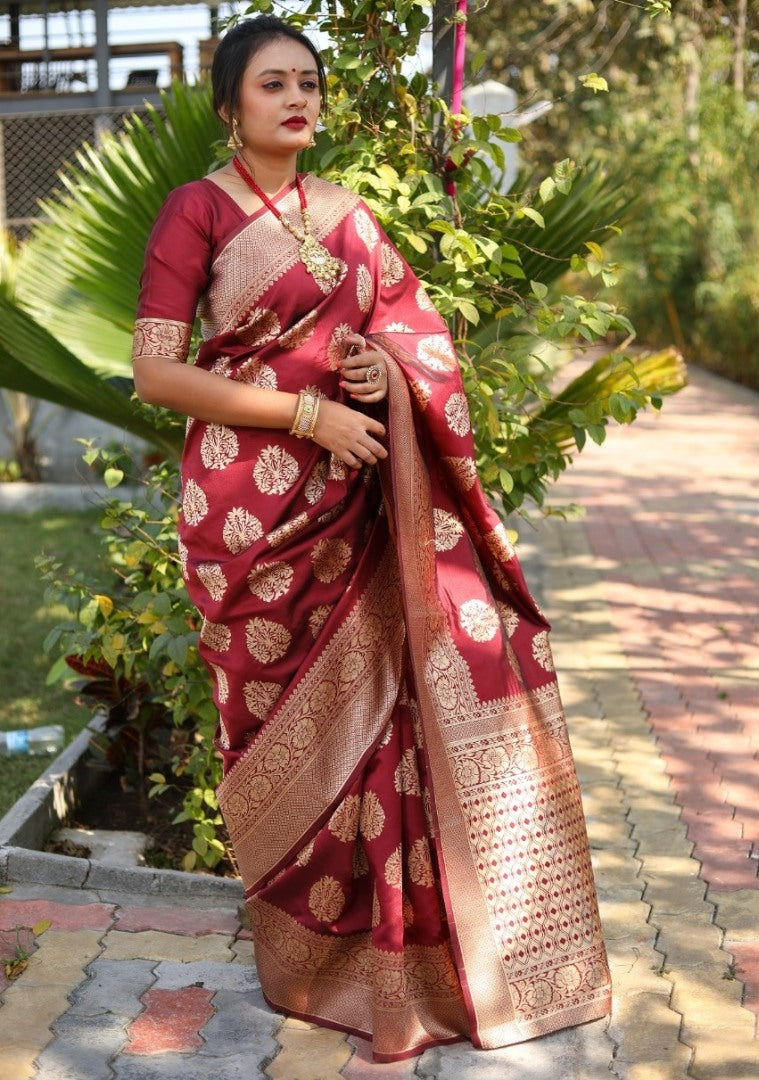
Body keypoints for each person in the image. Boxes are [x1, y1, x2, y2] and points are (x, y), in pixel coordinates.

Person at [132, 14, 611, 1063]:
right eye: (273, 84)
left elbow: (411, 329)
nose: (298, 99)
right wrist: (308, 415)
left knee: (380, 733)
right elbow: (158, 376)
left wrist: (382, 374)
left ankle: (390, 958)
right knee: (273, 738)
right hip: (247, 524)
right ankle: (306, 957)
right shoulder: (197, 211)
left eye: (308, 83)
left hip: (352, 506)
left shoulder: (348, 219)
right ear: (230, 106)